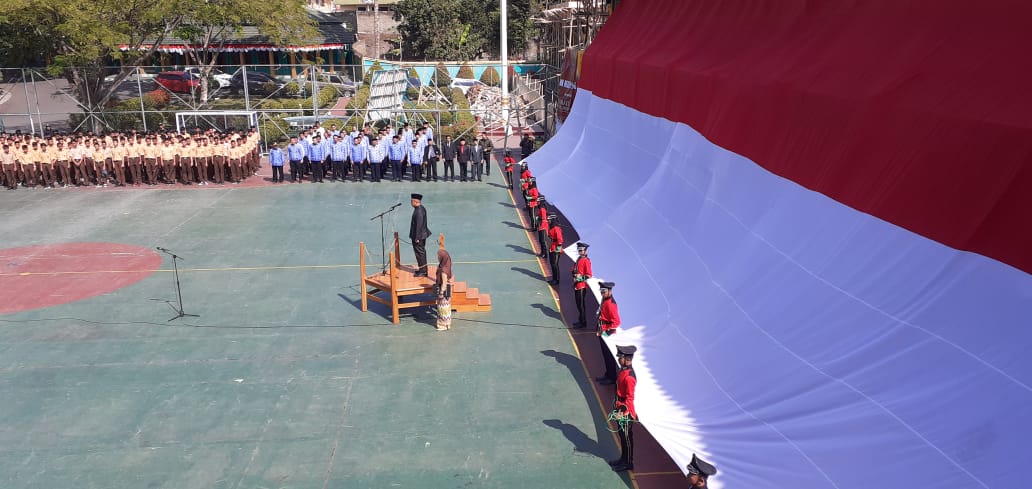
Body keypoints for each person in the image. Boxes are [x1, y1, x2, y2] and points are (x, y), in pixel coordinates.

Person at [609, 345, 638, 472]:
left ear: (627, 359)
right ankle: (623, 459)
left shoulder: (629, 377)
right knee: (622, 436)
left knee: (626, 438)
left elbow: (630, 397)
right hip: (619, 407)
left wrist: (622, 412)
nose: (618, 359)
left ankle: (628, 462)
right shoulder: (623, 370)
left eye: (620, 357)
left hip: (625, 412)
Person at [595, 282, 621, 385]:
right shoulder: (605, 300)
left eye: (604, 291)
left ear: (609, 291)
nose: (602, 293)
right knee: (605, 355)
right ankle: (608, 374)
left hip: (607, 333)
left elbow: (617, 322)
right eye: (601, 291)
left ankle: (612, 377)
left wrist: (605, 330)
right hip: (602, 329)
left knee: (608, 355)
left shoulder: (610, 304)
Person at [409, 193, 431, 277]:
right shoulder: (420, 208)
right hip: (421, 235)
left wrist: (417, 237)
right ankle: (422, 269)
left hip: (419, 236)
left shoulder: (419, 211)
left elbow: (419, 225)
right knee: (420, 253)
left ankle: (423, 271)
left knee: (420, 253)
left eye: (411, 201)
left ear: (415, 201)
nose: (411, 203)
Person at [571, 242, 592, 328]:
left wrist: (579, 278)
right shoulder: (579, 258)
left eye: (581, 250)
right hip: (577, 285)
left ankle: (583, 322)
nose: (579, 252)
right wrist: (574, 274)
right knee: (578, 305)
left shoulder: (586, 261)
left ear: (585, 251)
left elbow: (589, 275)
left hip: (581, 286)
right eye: (578, 250)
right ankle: (580, 320)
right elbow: (574, 269)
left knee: (581, 305)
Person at [435, 245, 453, 331]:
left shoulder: (443, 270)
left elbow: (444, 283)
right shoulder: (447, 265)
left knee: (442, 308)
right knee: (446, 307)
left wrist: (441, 293)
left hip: (443, 290)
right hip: (448, 289)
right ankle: (447, 324)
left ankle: (443, 325)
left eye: (439, 256)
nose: (438, 258)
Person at [546, 214, 563, 285]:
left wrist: (558, 250)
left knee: (555, 264)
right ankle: (554, 278)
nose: (548, 221)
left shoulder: (556, 228)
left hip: (556, 248)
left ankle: (556, 280)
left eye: (549, 220)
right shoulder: (552, 227)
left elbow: (560, 240)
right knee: (552, 264)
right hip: (552, 246)